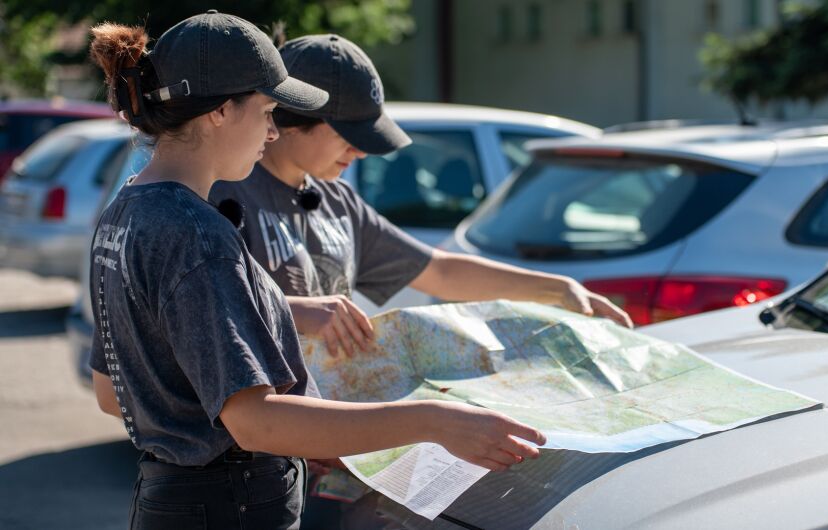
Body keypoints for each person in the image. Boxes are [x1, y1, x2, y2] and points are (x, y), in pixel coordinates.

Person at [88, 13, 545, 529]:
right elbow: (257, 422)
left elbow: (112, 393)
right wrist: (435, 421)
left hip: (169, 497)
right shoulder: (199, 233)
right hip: (230, 504)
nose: (271, 130)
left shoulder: (124, 213)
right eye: (265, 111)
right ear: (219, 111)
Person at [210, 35, 633, 363]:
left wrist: (556, 289)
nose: (360, 153)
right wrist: (297, 311)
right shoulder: (224, 193)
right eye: (350, 137)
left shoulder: (339, 201)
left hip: (326, 435)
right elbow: (204, 308)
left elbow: (440, 272)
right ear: (291, 117)